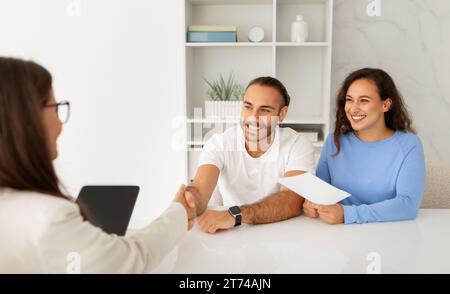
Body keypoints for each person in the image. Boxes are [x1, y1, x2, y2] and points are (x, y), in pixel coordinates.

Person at [0, 57, 195, 273]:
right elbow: (130, 259)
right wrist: (178, 211)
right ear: (25, 118)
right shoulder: (48, 218)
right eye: (55, 108)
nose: (60, 124)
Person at [185, 77, 315, 234]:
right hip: (232, 235)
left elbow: (291, 201)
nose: (253, 117)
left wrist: (236, 215)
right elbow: (200, 189)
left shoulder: (298, 145)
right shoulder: (220, 143)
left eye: (265, 110)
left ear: (282, 114)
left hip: (281, 235)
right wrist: (190, 199)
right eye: (248, 107)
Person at [303, 68, 426, 225]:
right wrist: (311, 203)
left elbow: (407, 205)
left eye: (364, 100)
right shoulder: (335, 140)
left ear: (386, 105)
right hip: (336, 236)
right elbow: (319, 191)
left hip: (389, 236)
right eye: (349, 99)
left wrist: (348, 214)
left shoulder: (409, 145)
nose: (353, 108)